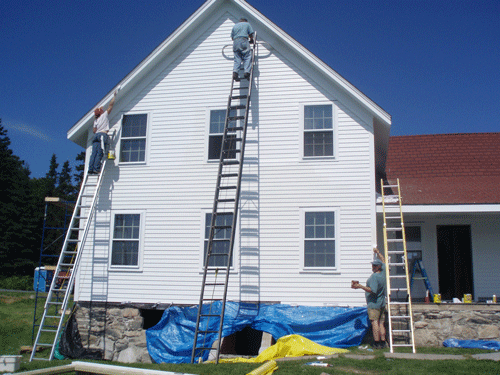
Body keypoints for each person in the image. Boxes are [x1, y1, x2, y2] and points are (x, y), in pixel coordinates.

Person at [352, 247, 387, 349]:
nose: (372, 266)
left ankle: (376, 343)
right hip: (382, 303)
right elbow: (384, 261)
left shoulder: (374, 277)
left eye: (373, 265)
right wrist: (378, 252)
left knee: (375, 323)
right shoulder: (383, 272)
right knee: (381, 323)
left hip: (374, 304)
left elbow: (372, 290)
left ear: (376, 267)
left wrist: (360, 286)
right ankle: (383, 342)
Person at [88, 91, 116, 174]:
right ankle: (96, 169)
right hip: (102, 135)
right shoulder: (104, 115)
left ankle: (90, 169)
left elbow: (94, 131)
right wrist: (114, 96)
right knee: (100, 153)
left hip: (96, 136)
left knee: (94, 153)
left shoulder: (96, 120)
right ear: (101, 113)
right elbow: (110, 106)